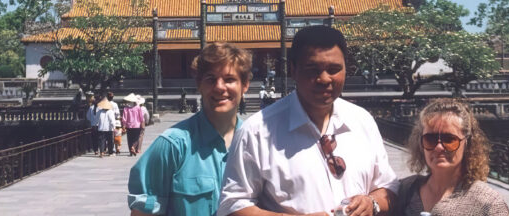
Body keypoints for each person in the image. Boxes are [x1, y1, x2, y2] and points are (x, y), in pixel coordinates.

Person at [218, 26, 398, 216]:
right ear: (293, 70)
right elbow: (232, 205)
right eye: (313, 70)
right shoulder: (256, 132)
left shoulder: (362, 121)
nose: (324, 79)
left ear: (347, 69)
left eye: (334, 69)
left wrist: (371, 202)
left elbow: (389, 186)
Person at [128, 42, 253, 216]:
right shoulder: (173, 146)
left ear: (245, 85)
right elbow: (143, 212)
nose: (219, 87)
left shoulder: (256, 143)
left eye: (229, 79)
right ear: (199, 84)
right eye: (210, 79)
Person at [391, 99, 509, 216]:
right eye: (430, 139)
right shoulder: (405, 190)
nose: (438, 147)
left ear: (467, 143)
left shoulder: (487, 203)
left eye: (449, 140)